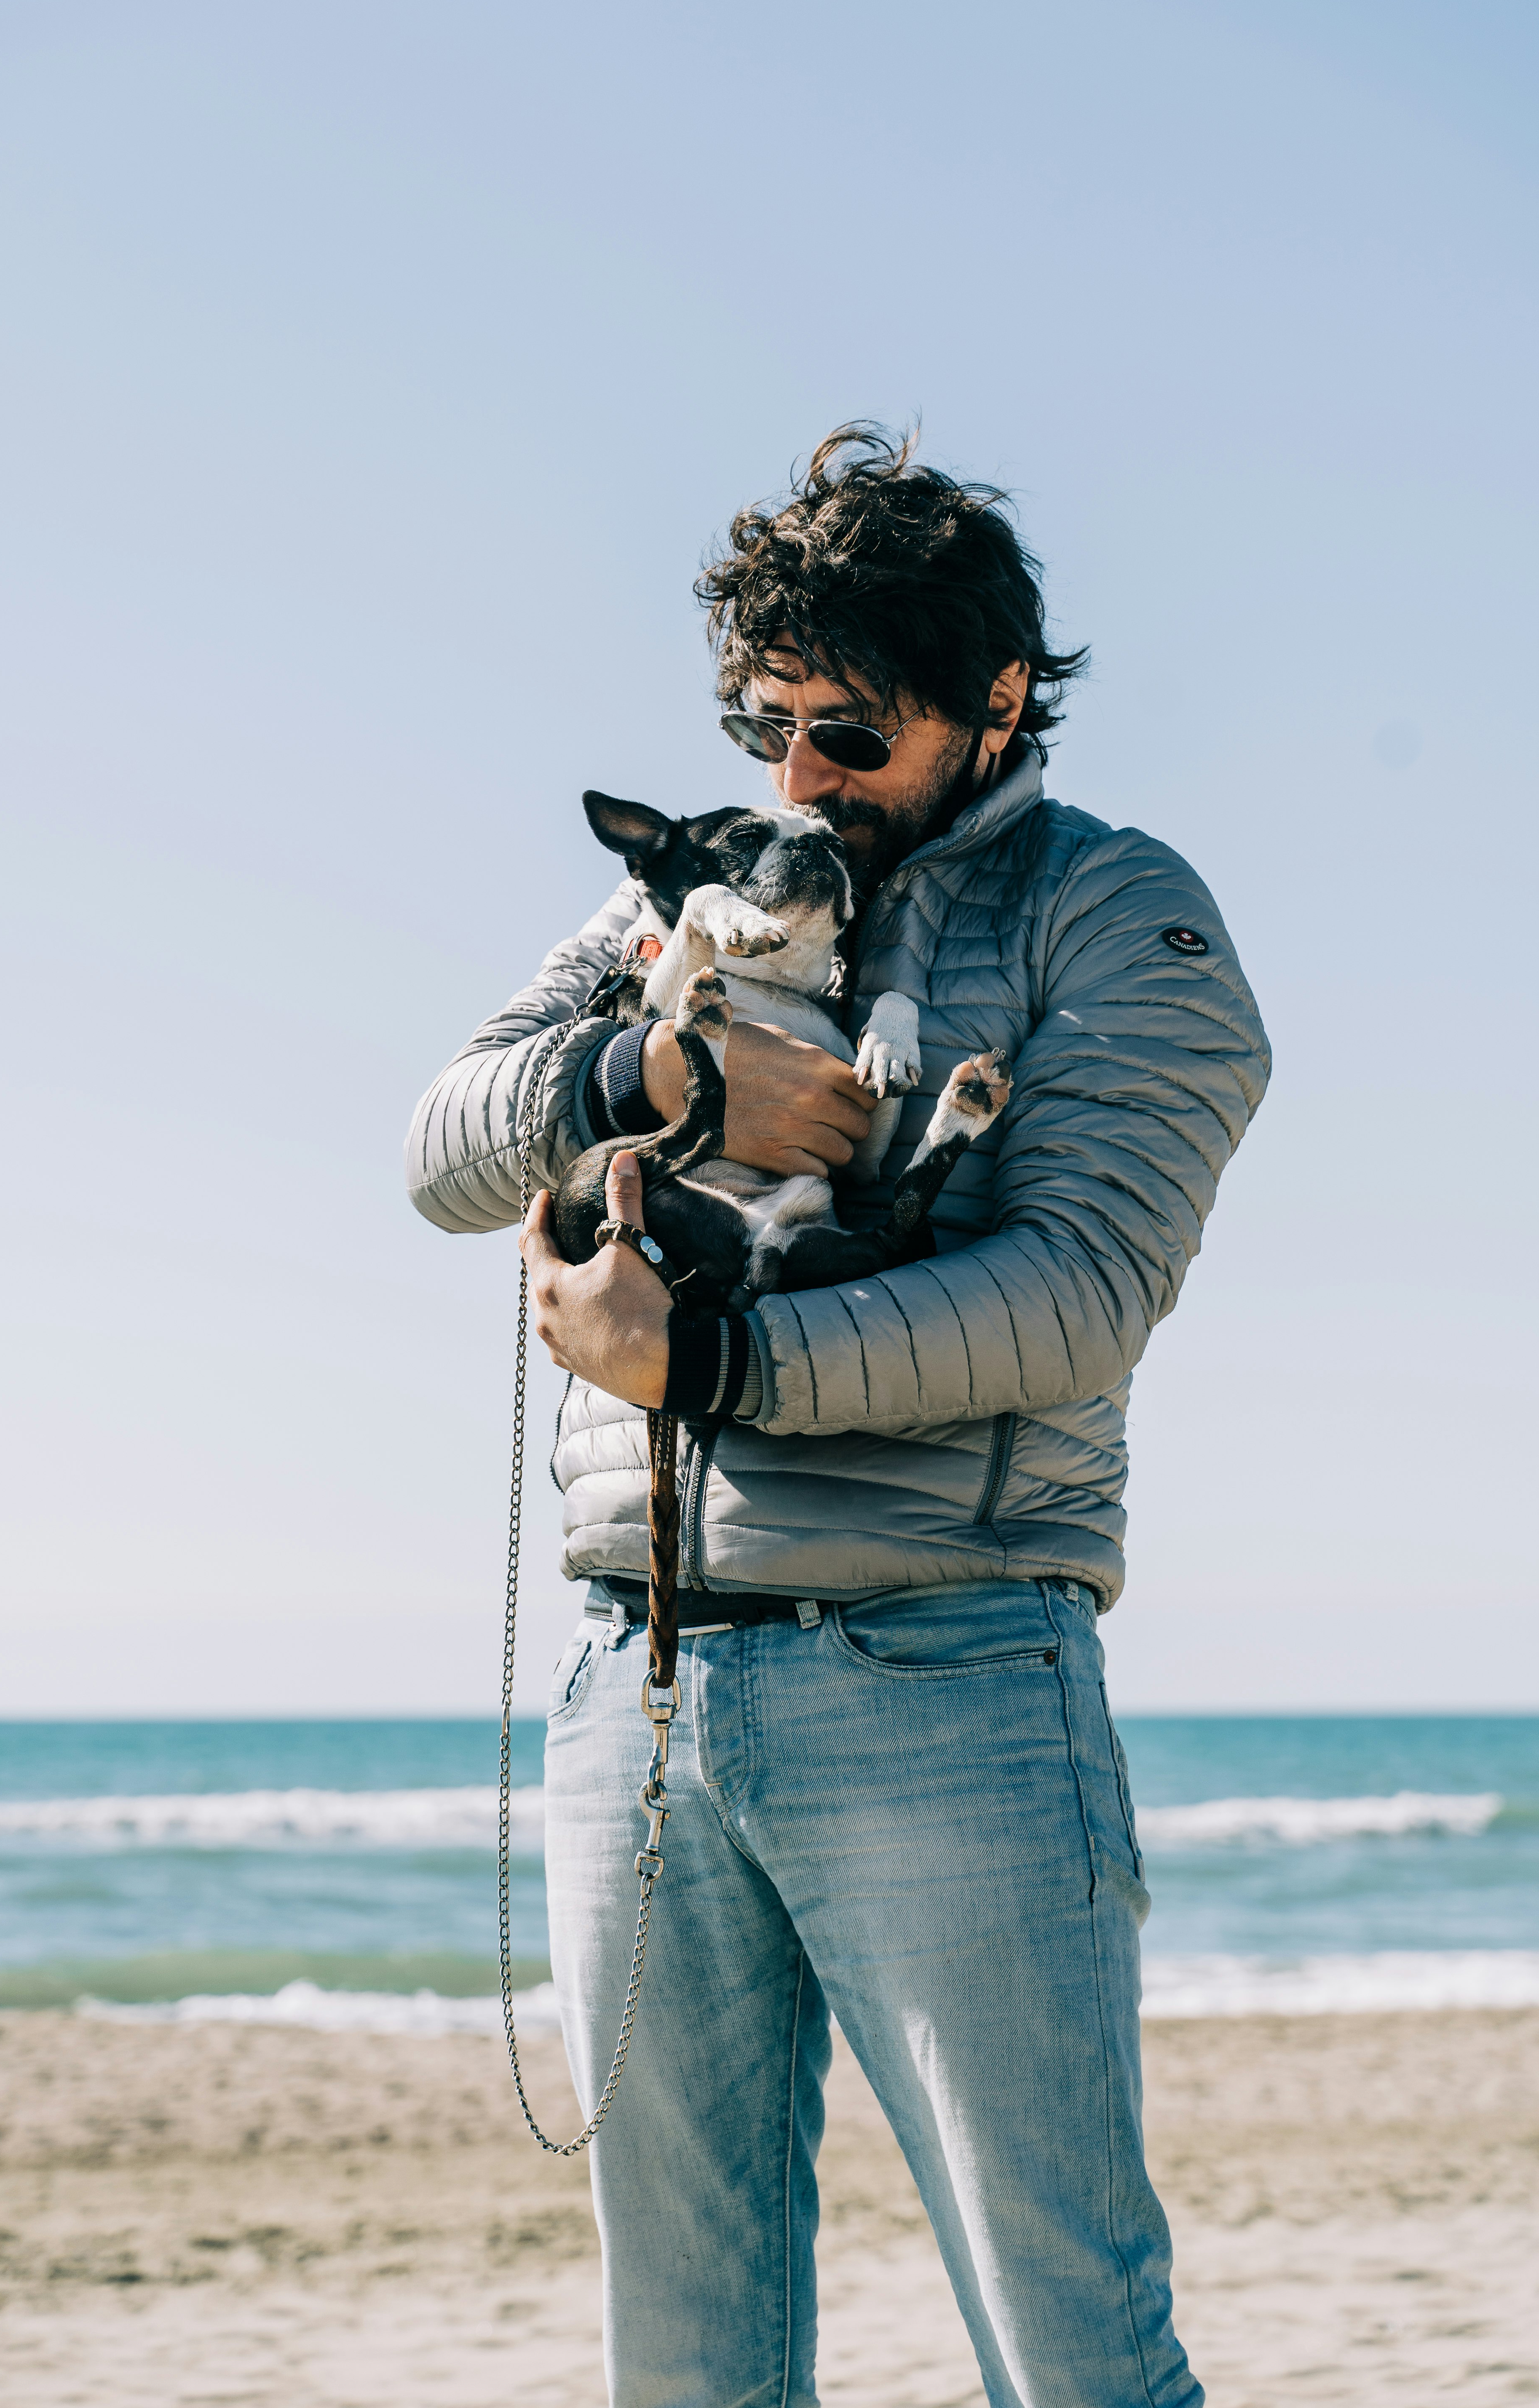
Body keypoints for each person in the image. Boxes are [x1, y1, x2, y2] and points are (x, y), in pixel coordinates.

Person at [407, 425, 1269, 2408]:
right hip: (639, 1684)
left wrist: (710, 1368)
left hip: (948, 1675)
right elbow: (438, 1150)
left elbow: (1080, 1293)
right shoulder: (681, 896)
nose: (794, 777)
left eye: (850, 733)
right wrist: (652, 1073)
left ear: (996, 702)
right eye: (764, 722)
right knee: (689, 2371)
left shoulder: (1118, 916)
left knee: (1074, 2360)